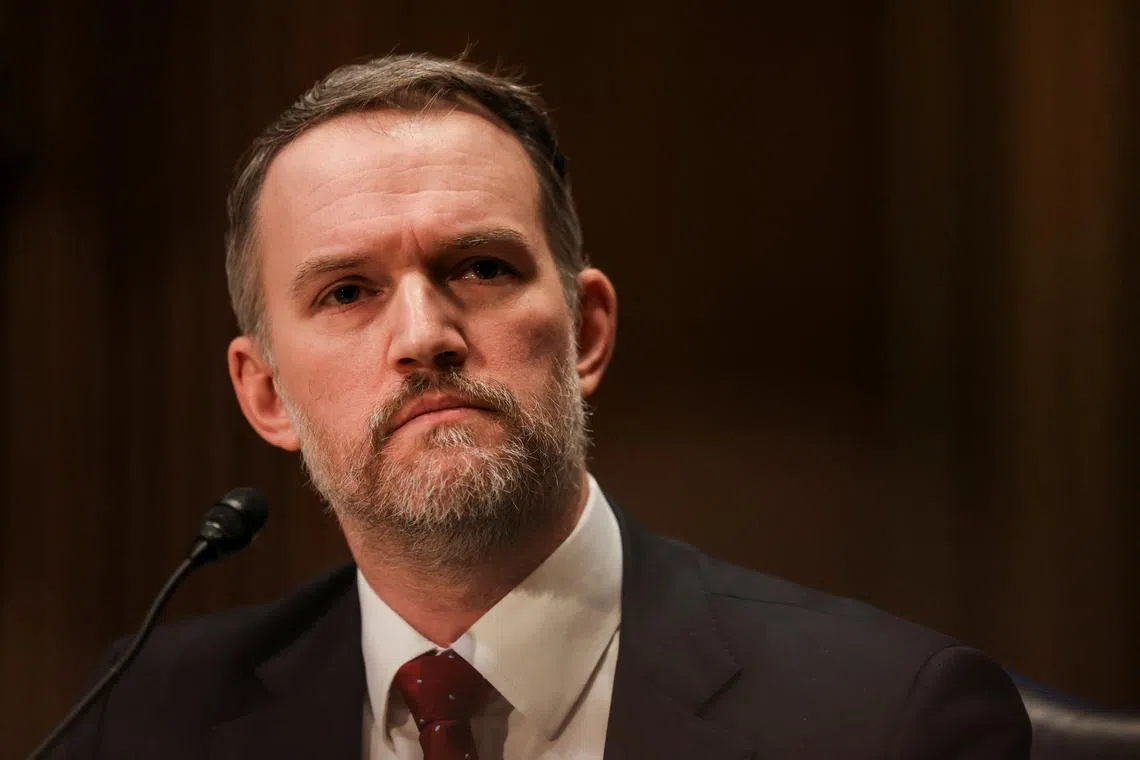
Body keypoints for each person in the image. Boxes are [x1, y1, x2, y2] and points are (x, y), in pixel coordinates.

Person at [60, 54, 1030, 759]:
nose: (423, 333)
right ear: (264, 392)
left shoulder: (886, 719)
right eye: (346, 291)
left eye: (479, 267)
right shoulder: (143, 716)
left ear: (587, 330)